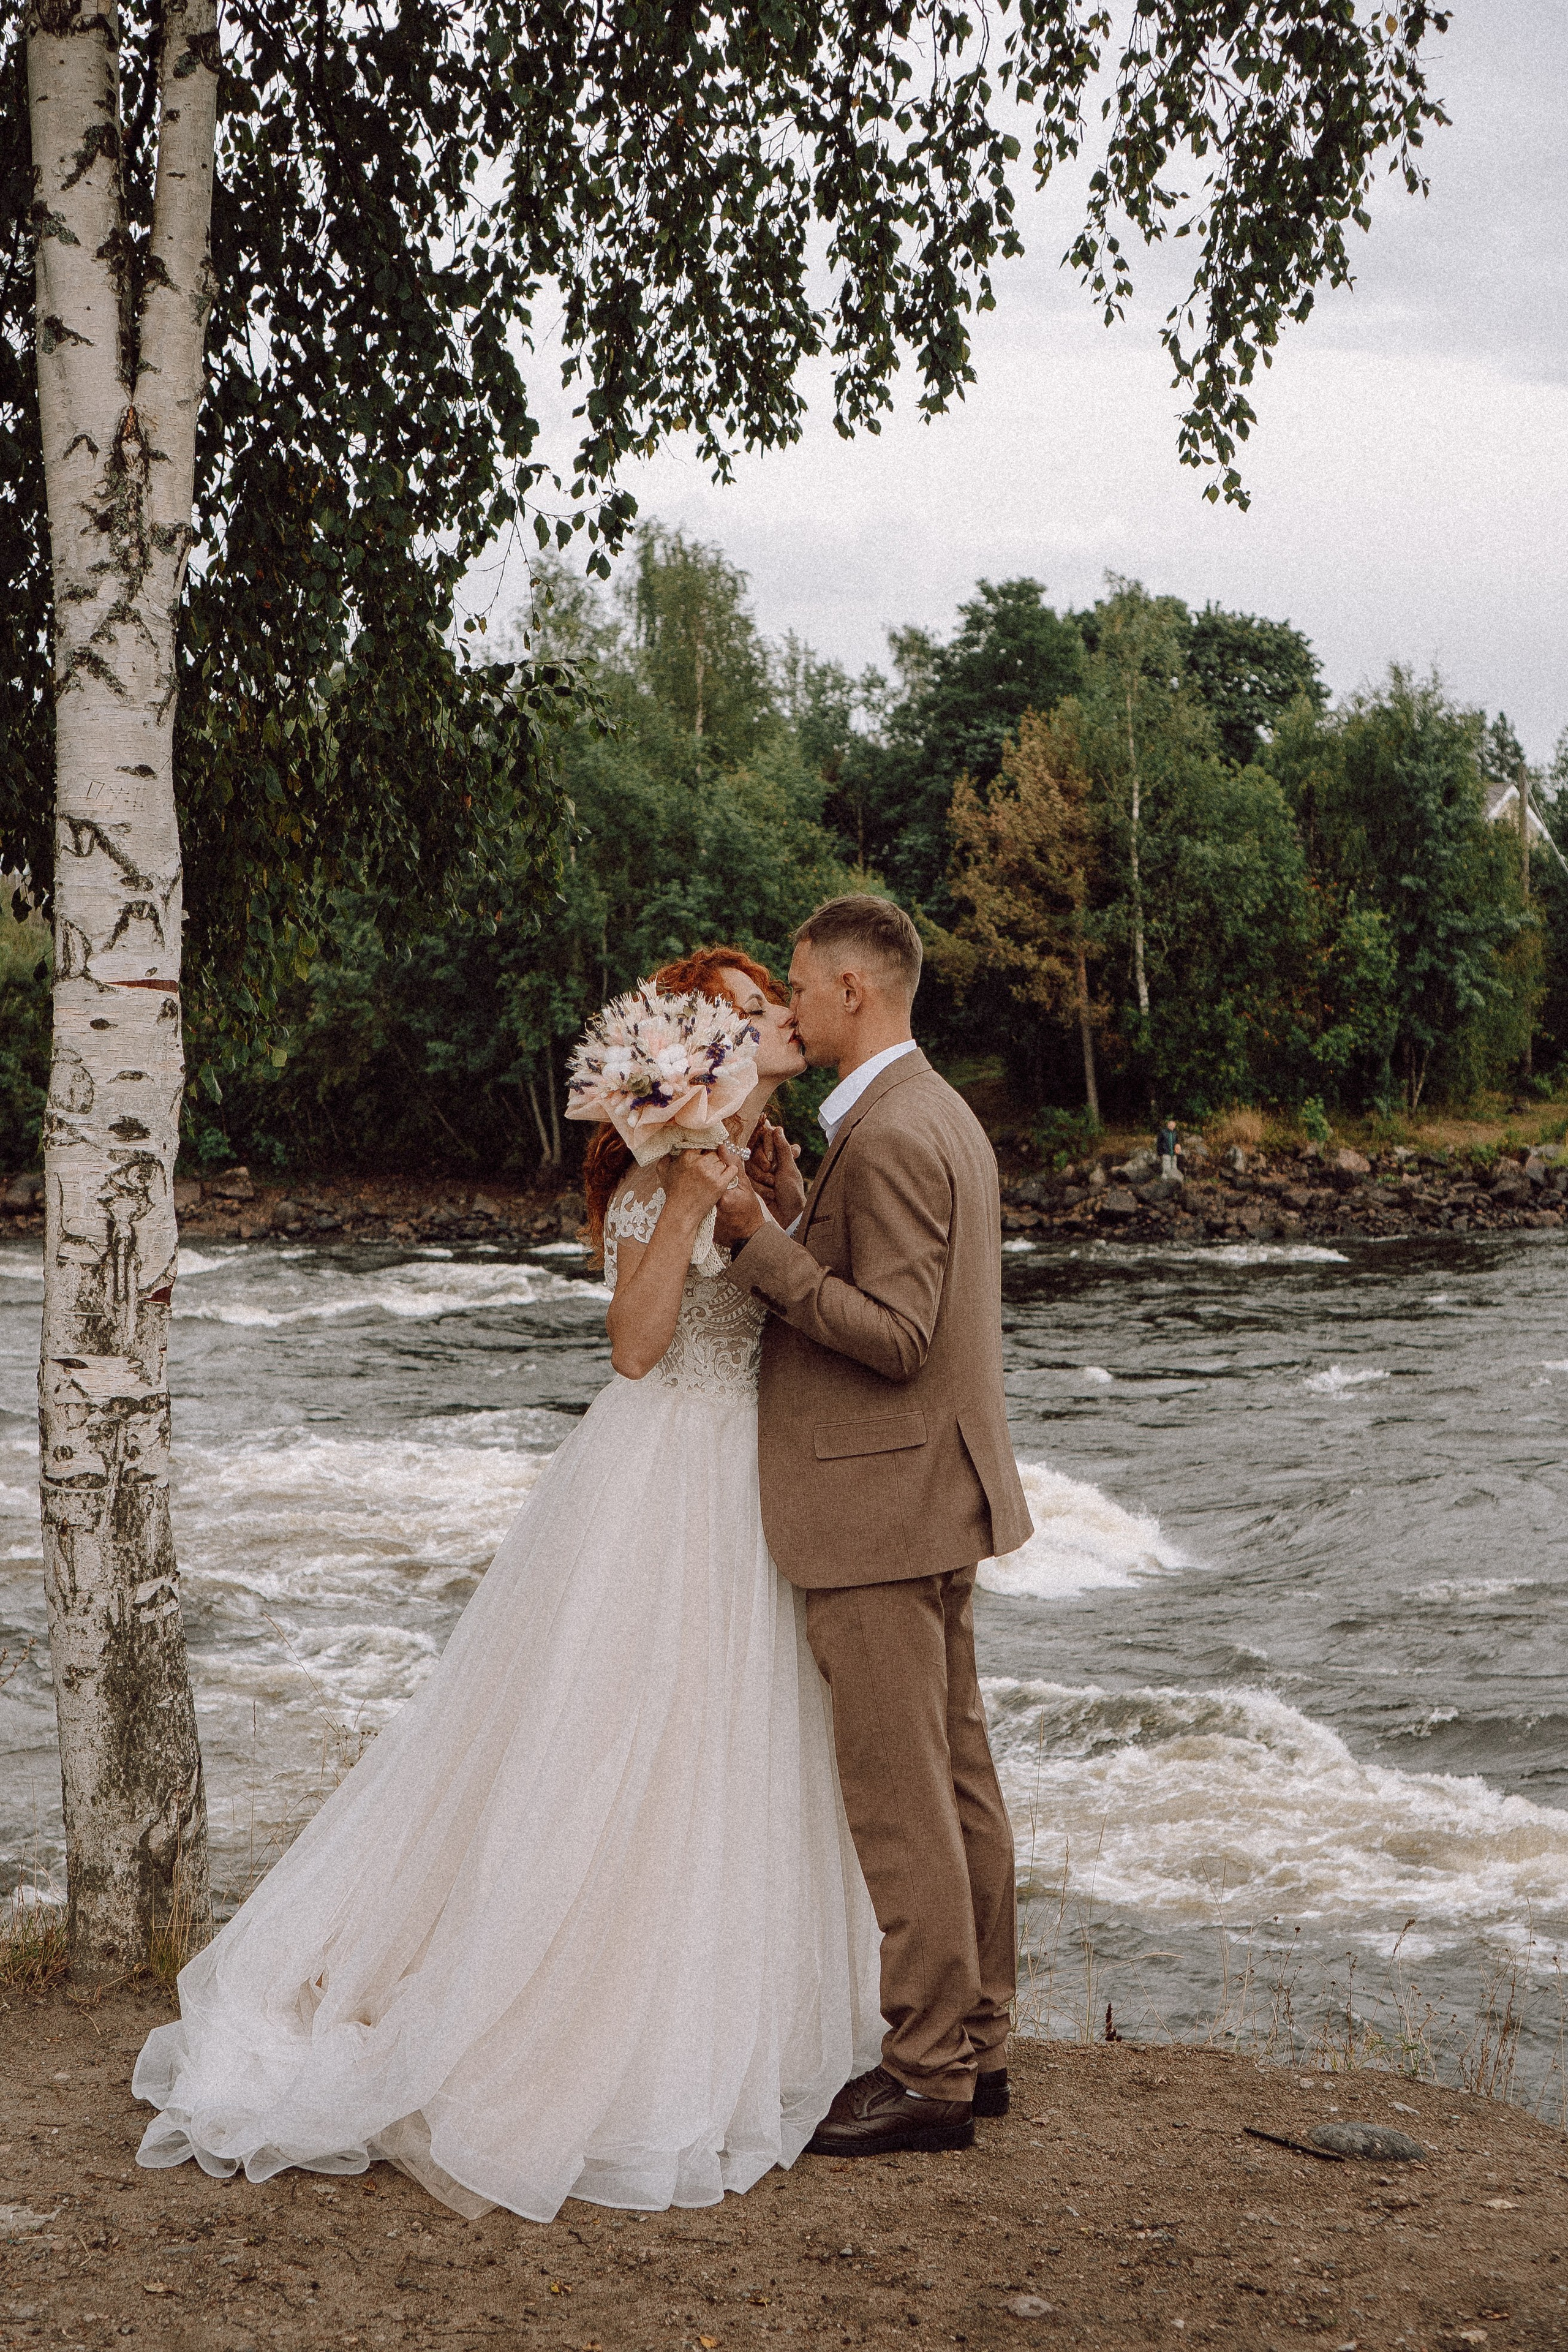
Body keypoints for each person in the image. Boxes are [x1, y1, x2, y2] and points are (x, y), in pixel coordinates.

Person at [132, 946, 883, 2225]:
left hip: (752, 1478)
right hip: (663, 1479)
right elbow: (640, 1350)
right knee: (620, 1746)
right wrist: (697, 1196)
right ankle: (578, 2025)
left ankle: (728, 2004)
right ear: (705, 1051)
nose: (778, 1028)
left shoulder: (770, 1161)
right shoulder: (665, 1183)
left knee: (728, 1749)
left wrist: (766, 1192)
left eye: (774, 1012)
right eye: (755, 1016)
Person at [714, 894, 1033, 2159]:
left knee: (902, 1798)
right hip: (928, 1492)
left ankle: (925, 2071)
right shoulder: (927, 1110)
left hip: (876, 1500)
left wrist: (755, 1244)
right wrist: (797, 1209)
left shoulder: (893, 1133)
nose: (786, 1010)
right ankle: (979, 2043)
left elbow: (895, 1337)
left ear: (854, 987)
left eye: (797, 986)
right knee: (958, 1785)